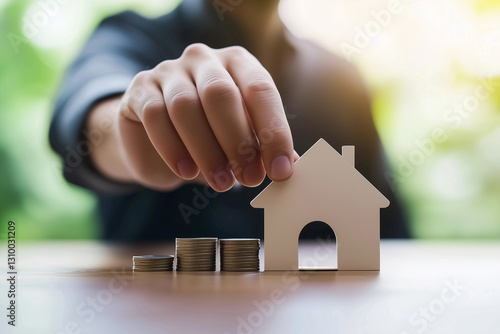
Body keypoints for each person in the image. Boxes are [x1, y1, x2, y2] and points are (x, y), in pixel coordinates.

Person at [49, 0, 408, 240]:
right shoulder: (127, 38)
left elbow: (385, 229)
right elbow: (88, 113)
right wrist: (133, 134)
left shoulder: (341, 80)